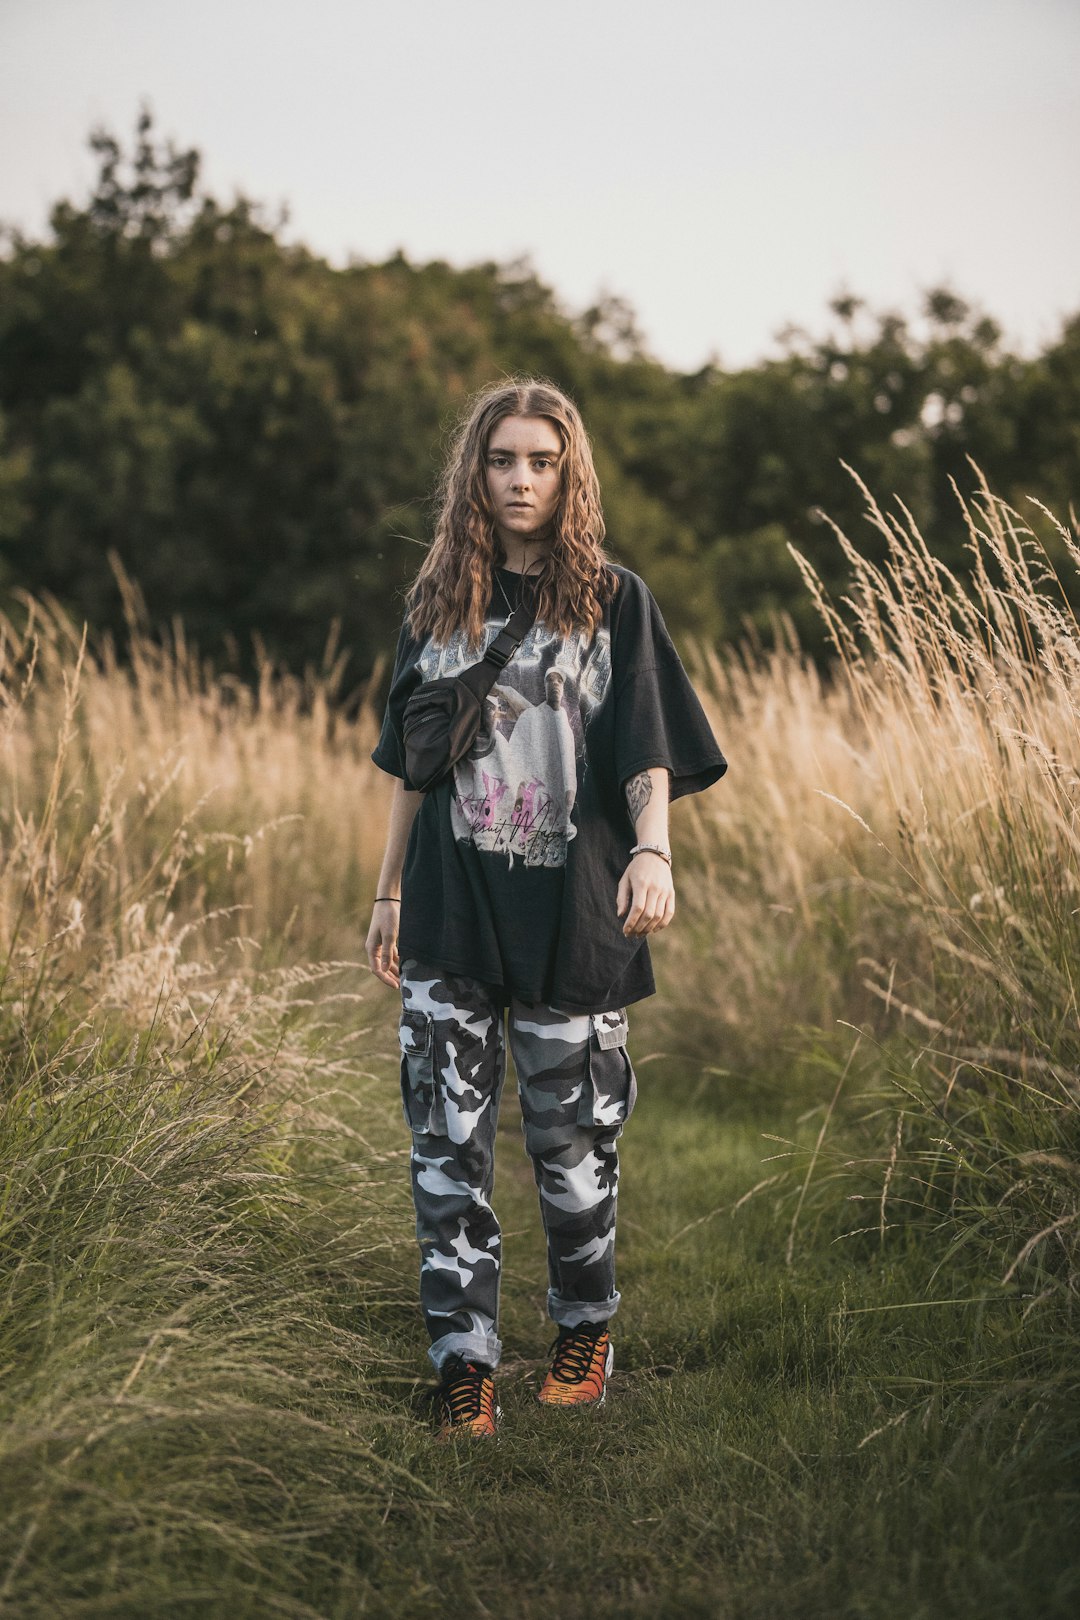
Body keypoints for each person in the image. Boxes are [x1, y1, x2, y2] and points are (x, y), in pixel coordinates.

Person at [367, 379, 727, 1438]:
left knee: (574, 1150)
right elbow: (408, 767)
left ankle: (583, 1327)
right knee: (448, 1150)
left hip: (573, 916)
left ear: (569, 475)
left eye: (541, 461)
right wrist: (387, 892)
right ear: (471, 474)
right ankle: (463, 1363)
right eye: (501, 460)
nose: (520, 479)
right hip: (450, 911)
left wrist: (653, 851)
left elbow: (646, 748)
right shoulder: (436, 609)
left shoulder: (614, 600)